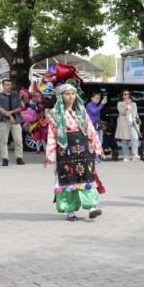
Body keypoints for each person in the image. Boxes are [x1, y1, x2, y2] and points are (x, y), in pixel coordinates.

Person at [45, 83, 103, 221]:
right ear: (61, 96)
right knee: (68, 180)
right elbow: (52, 134)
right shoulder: (55, 114)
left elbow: (90, 130)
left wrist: (98, 147)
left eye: (73, 93)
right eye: (67, 94)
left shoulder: (81, 111)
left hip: (83, 149)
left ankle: (92, 207)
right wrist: (51, 155)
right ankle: (70, 210)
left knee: (87, 177)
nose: (71, 97)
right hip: (66, 150)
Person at [0, 78, 25, 166]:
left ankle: (19, 158)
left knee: (18, 140)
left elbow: (20, 107)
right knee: (4, 141)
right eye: (7, 85)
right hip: (3, 121)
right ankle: (5, 158)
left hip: (16, 120)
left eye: (10, 85)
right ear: (3, 86)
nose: (9, 86)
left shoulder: (15, 95)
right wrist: (10, 116)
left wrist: (11, 113)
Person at [115, 90, 141, 161]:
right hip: (123, 123)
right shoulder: (120, 103)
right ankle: (126, 155)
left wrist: (138, 120)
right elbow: (122, 112)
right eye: (125, 94)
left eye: (128, 94)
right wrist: (126, 106)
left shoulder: (133, 104)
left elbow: (136, 113)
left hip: (133, 122)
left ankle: (134, 154)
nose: (127, 95)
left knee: (135, 138)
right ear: (122, 96)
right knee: (124, 140)